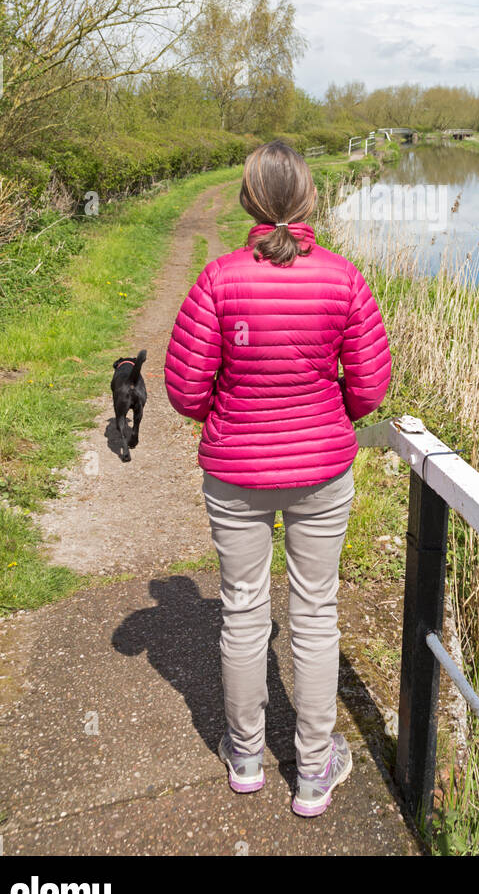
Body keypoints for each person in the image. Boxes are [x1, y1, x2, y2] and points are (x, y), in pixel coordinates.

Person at [164, 140, 391, 817]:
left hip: (236, 475)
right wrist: (330, 417)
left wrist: (227, 417)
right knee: (315, 614)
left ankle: (243, 758)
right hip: (321, 472)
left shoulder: (219, 280)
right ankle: (315, 773)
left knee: (241, 611)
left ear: (247, 201)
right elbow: (371, 387)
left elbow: (182, 388)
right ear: (310, 200)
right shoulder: (344, 280)